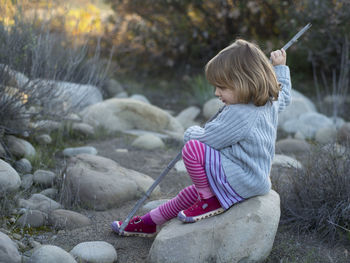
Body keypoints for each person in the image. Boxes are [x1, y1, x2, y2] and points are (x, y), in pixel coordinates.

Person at [111, 39, 291, 237]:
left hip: (242, 178)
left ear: (243, 81)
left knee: (193, 148)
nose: (216, 93)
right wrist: (280, 69)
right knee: (188, 195)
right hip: (252, 177)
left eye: (222, 87)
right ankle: (149, 223)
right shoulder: (268, 103)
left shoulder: (240, 113)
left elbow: (206, 140)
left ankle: (209, 201)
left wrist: (190, 132)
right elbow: (285, 97)